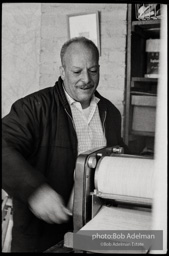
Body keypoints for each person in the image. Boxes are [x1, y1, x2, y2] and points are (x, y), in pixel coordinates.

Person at [2, 37, 129, 252]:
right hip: (41, 239)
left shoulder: (110, 112)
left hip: (93, 232)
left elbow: (116, 163)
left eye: (93, 70)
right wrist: (35, 191)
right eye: (77, 71)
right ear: (62, 71)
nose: (86, 79)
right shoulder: (33, 108)